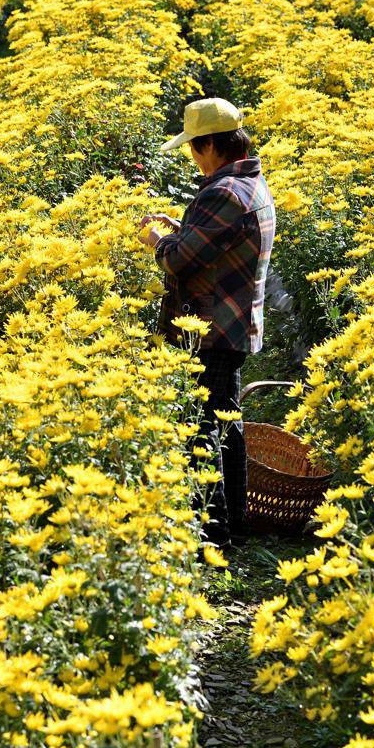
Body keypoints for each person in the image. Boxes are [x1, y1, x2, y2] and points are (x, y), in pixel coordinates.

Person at [137, 98, 275, 551]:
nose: (193, 159)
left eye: (194, 149)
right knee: (226, 422)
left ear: (211, 144)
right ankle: (234, 523)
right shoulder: (252, 185)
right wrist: (186, 226)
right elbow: (223, 242)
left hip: (209, 328)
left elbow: (179, 260)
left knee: (202, 429)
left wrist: (158, 239)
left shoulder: (221, 192)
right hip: (234, 322)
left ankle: (211, 534)